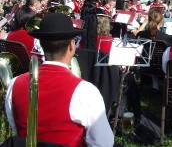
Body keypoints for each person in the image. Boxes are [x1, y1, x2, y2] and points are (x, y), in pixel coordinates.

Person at [5, 13, 114, 147]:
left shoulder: (14, 83)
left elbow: (16, 131)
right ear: (71, 46)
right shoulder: (86, 91)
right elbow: (104, 143)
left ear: (41, 45)